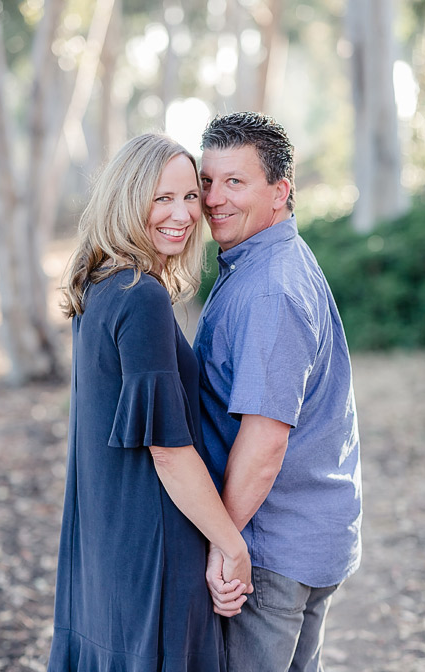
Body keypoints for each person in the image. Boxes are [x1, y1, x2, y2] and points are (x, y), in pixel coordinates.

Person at [47, 133, 253, 672]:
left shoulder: (101, 285)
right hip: (153, 546)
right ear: (127, 198)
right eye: (162, 198)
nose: (183, 214)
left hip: (106, 545)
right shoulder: (141, 297)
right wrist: (231, 544)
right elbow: (169, 451)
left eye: (191, 197)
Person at [195, 111, 362, 671]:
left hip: (269, 551)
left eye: (235, 182)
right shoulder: (268, 259)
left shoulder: (269, 289)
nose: (214, 198)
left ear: (280, 191)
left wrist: (226, 542)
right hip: (303, 536)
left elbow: (265, 443)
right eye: (208, 181)